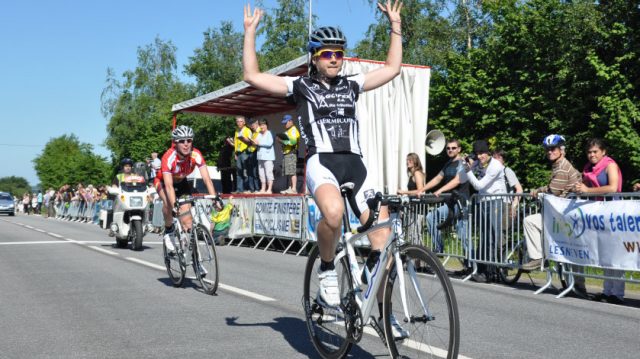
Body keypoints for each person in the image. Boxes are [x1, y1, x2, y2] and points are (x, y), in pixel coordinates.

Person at [243, 0, 404, 333]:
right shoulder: (301, 86)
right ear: (315, 58)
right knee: (332, 214)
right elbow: (253, 75)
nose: (335, 58)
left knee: (383, 239)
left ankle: (375, 307)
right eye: (328, 54)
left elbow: (392, 68)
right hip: (322, 163)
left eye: (339, 53)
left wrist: (395, 26)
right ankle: (328, 268)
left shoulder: (352, 84)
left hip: (356, 164)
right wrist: (250, 34)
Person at [521, 135, 586, 291]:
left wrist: (538, 191)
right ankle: (578, 284)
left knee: (530, 221)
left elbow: (553, 191)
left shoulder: (563, 167)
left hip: (565, 214)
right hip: (561, 212)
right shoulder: (558, 165)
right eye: (547, 149)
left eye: (553, 149)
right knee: (570, 249)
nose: (549, 152)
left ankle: (537, 257)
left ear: (561, 150)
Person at [155, 125, 222, 263]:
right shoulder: (168, 157)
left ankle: (195, 256)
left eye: (189, 140)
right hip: (163, 182)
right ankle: (168, 230)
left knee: (187, 221)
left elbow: (207, 179)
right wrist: (174, 206)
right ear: (175, 143)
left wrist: (214, 198)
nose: (186, 144)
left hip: (182, 182)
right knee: (169, 203)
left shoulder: (196, 154)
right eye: (182, 141)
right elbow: (168, 186)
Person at [574, 138, 625, 304]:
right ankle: (607, 291)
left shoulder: (610, 165)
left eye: (595, 151)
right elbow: (584, 187)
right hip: (598, 215)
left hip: (614, 213)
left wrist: (588, 190)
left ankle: (617, 293)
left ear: (603, 152)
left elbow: (612, 187)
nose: (592, 155)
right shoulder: (588, 168)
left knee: (616, 255)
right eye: (589, 152)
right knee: (605, 255)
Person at [463, 140, 507, 282]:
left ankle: (491, 272)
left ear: (488, 152)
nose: (480, 156)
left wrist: (468, 170)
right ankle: (482, 270)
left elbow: (478, 185)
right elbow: (464, 177)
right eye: (477, 154)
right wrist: (466, 164)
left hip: (495, 202)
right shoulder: (477, 163)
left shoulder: (496, 166)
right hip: (483, 202)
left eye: (482, 153)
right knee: (484, 237)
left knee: (492, 237)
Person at [420, 139, 471, 257]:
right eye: (448, 148)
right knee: (431, 217)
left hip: (461, 203)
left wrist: (441, 189)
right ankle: (439, 248)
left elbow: (457, 180)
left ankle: (472, 266)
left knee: (463, 234)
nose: (450, 150)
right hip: (451, 203)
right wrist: (421, 190)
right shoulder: (448, 164)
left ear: (459, 149)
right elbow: (437, 178)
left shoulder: (463, 163)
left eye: (453, 148)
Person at [492, 149, 524, 219]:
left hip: (505, 204)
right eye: (494, 158)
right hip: (492, 204)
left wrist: (514, 206)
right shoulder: (490, 172)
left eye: (498, 157)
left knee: (503, 229)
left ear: (503, 159)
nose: (496, 160)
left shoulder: (507, 171)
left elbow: (519, 189)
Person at [226, 116, 252, 193]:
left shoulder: (247, 130)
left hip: (245, 152)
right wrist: (235, 153)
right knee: (239, 172)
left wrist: (244, 140)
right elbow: (236, 143)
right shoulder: (236, 131)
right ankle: (239, 189)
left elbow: (251, 142)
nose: (239, 123)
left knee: (246, 171)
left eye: (240, 121)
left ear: (244, 122)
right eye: (237, 121)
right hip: (239, 153)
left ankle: (247, 189)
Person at [277, 114, 300, 194]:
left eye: (286, 122)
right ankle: (290, 188)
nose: (285, 124)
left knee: (292, 171)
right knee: (289, 172)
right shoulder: (288, 131)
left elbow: (293, 142)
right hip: (287, 153)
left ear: (290, 121)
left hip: (291, 153)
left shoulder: (293, 130)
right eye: (284, 123)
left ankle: (293, 189)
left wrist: (282, 141)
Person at [252, 119, 275, 193]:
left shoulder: (269, 133)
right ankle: (263, 188)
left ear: (266, 125)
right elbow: (255, 142)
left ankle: (269, 189)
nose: (262, 126)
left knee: (268, 172)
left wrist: (259, 143)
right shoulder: (259, 134)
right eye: (260, 125)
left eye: (263, 125)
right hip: (260, 156)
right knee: (261, 173)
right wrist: (253, 142)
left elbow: (269, 143)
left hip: (268, 157)